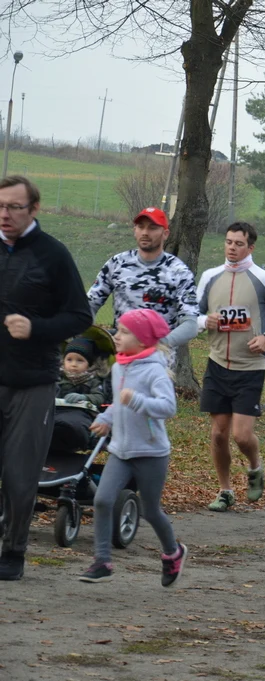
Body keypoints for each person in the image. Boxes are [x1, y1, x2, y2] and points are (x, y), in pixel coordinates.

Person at [0, 175, 93, 581]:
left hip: (31, 382)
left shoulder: (53, 255)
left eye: (14, 207)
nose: (5, 215)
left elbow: (80, 317)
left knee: (20, 474)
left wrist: (35, 328)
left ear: (34, 209)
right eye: (0, 206)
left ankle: (13, 551)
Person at [79, 309, 187, 586]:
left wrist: (137, 400)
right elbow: (118, 402)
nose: (117, 336)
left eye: (124, 332)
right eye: (118, 330)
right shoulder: (118, 367)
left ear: (142, 340)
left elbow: (168, 408)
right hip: (121, 450)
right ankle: (102, 561)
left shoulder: (155, 370)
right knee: (102, 500)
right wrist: (105, 418)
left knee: (150, 510)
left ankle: (173, 553)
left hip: (151, 453)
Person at [196, 222, 265, 511]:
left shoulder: (263, 278)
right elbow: (190, 314)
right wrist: (205, 322)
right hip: (217, 363)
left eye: (238, 243)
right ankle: (225, 490)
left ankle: (255, 467)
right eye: (228, 242)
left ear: (250, 247)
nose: (232, 247)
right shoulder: (210, 276)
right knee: (218, 433)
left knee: (241, 435)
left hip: (250, 367)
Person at [87, 207, 199, 360]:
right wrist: (90, 338)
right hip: (119, 360)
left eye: (152, 228)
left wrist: (160, 345)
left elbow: (191, 325)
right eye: (141, 227)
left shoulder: (179, 272)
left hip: (157, 364)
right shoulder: (117, 263)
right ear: (135, 230)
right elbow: (89, 306)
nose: (145, 232)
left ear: (165, 234)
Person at [52, 336, 113, 454]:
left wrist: (84, 397)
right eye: (69, 360)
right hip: (56, 411)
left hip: (81, 414)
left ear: (89, 364)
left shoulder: (93, 380)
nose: (74, 364)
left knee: (73, 427)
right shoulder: (58, 378)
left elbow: (99, 397)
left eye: (80, 360)